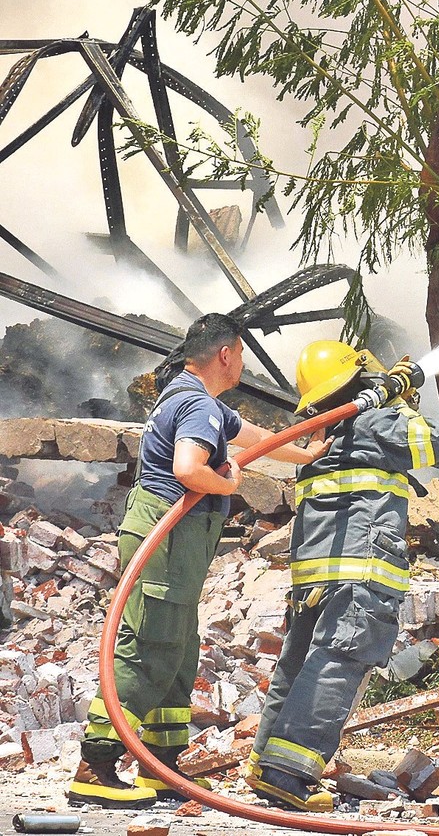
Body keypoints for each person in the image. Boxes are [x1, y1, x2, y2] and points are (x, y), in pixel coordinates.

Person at [68, 314, 327, 808]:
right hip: (167, 538)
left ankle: (160, 765)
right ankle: (95, 765)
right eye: (243, 354)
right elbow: (189, 469)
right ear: (226, 354)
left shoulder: (195, 400)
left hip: (176, 541)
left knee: (180, 649)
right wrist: (229, 485)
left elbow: (253, 436)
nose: (244, 364)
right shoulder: (197, 407)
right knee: (151, 646)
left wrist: (309, 452)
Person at [246, 341, 439, 812]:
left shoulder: (324, 434)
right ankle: (289, 774)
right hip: (361, 571)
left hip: (314, 574)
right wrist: (397, 398)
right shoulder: (377, 421)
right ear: (361, 376)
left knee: (297, 663)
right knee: (340, 660)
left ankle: (264, 761)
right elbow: (438, 443)